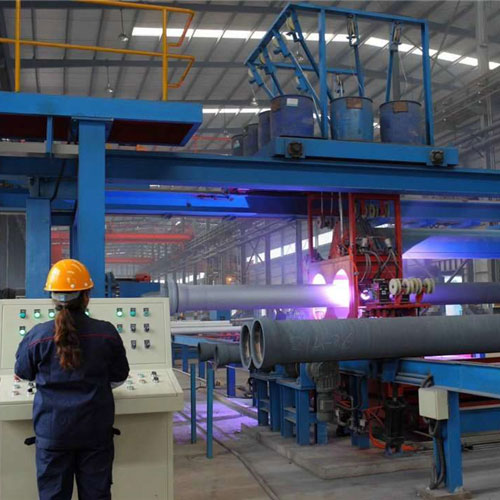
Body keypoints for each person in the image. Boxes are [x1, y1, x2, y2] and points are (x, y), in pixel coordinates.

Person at [15, 259, 130, 500]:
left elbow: (23, 373)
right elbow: (119, 376)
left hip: (53, 432)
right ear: (86, 296)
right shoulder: (106, 333)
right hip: (95, 431)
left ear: (53, 298)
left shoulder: (37, 336)